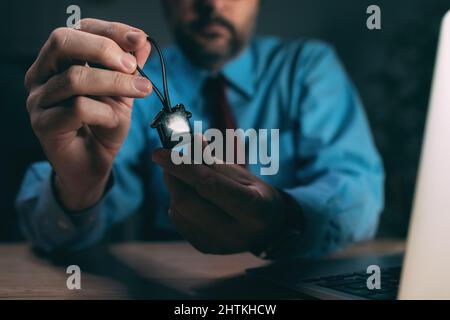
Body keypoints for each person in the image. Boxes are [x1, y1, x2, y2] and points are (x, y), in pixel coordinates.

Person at [16, 0, 384, 258]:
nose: (212, 3)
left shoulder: (307, 68)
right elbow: (51, 231)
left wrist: (283, 215)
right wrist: (78, 188)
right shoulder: (131, 87)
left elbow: (359, 191)